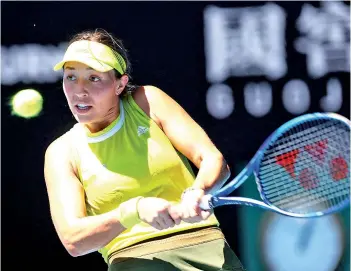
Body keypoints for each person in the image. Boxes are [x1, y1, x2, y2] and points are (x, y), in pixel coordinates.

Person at [44, 28, 245, 271]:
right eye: (71, 77)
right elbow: (73, 240)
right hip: (135, 262)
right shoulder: (61, 152)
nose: (79, 90)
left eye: (94, 78)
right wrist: (134, 211)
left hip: (209, 252)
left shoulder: (148, 101)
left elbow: (213, 160)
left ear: (120, 84)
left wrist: (198, 190)